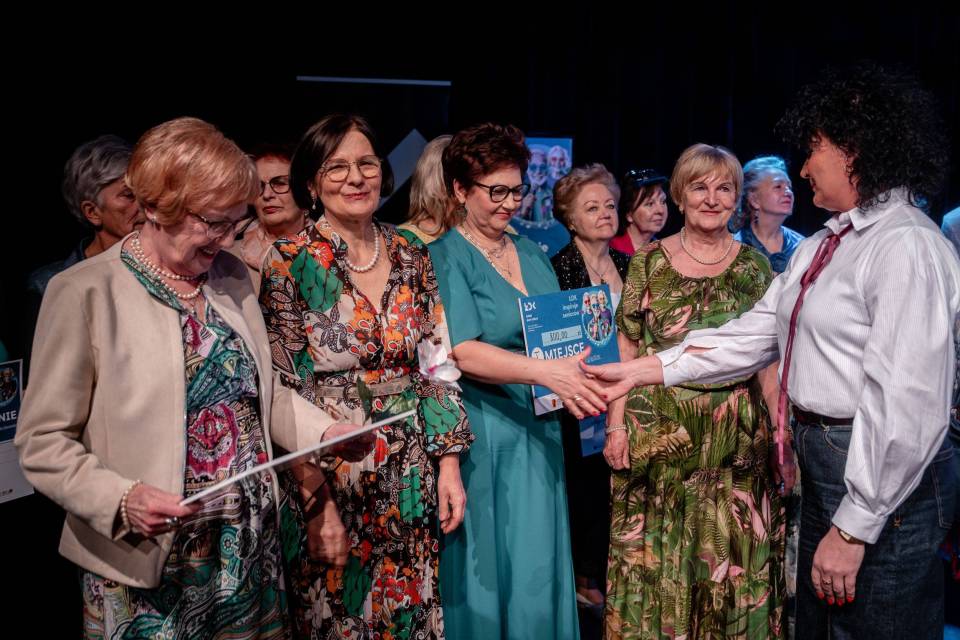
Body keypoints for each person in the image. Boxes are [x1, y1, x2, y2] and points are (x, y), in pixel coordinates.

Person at [585, 63, 959, 640]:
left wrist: (855, 528)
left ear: (855, 150)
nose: (803, 168)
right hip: (829, 462)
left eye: (813, 150)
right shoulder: (827, 243)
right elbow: (752, 334)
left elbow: (908, 406)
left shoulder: (906, 246)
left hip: (877, 477)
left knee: (873, 626)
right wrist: (643, 370)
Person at [15, 117, 372, 639]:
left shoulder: (229, 275)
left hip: (248, 553)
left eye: (235, 221)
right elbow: (42, 442)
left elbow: (261, 395)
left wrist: (325, 432)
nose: (227, 238)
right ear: (156, 206)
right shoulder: (84, 292)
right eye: (212, 222)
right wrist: (122, 499)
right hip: (150, 566)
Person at [259, 113, 472, 639]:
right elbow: (284, 391)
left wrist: (448, 466)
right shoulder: (287, 262)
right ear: (312, 184)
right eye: (337, 168)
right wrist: (316, 503)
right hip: (333, 475)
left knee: (410, 617)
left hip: (410, 473)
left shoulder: (410, 252)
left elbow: (436, 362)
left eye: (367, 164)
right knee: (339, 620)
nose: (355, 178)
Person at [597, 144, 785, 639]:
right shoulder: (648, 262)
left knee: (732, 562)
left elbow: (767, 360)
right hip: (659, 443)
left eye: (724, 188)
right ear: (679, 195)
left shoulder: (755, 268)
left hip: (736, 446)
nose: (712, 199)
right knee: (658, 564)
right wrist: (615, 425)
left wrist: (780, 434)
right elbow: (626, 346)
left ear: (738, 198)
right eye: (699, 187)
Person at [430, 122, 608, 639]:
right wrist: (546, 371)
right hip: (485, 433)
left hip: (542, 427)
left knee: (538, 565)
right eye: (497, 192)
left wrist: (586, 367)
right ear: (460, 190)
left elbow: (557, 333)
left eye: (517, 190)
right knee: (494, 565)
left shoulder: (531, 252)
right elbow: (462, 349)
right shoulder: (444, 255)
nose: (510, 203)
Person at [550, 163, 631, 617]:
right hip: (578, 401)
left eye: (610, 205)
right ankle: (585, 579)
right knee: (587, 491)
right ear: (570, 217)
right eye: (592, 207)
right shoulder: (555, 269)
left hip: (627, 397)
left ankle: (613, 571)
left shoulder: (631, 265)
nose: (605, 214)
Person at [24, 135, 143, 374]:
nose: (143, 205)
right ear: (93, 212)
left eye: (145, 192)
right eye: (129, 195)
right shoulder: (47, 285)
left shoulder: (167, 270)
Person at [232, 143, 309, 293]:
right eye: (259, 186)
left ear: (304, 188)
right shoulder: (228, 258)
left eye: (280, 183)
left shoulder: (335, 251)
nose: (267, 195)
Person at [731, 155, 804, 273]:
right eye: (778, 186)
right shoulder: (734, 247)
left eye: (789, 187)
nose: (788, 192)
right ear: (754, 200)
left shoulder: (801, 246)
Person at [609, 168, 669, 256]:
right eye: (650, 204)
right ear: (629, 214)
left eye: (663, 201)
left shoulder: (664, 252)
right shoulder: (611, 250)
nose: (660, 210)